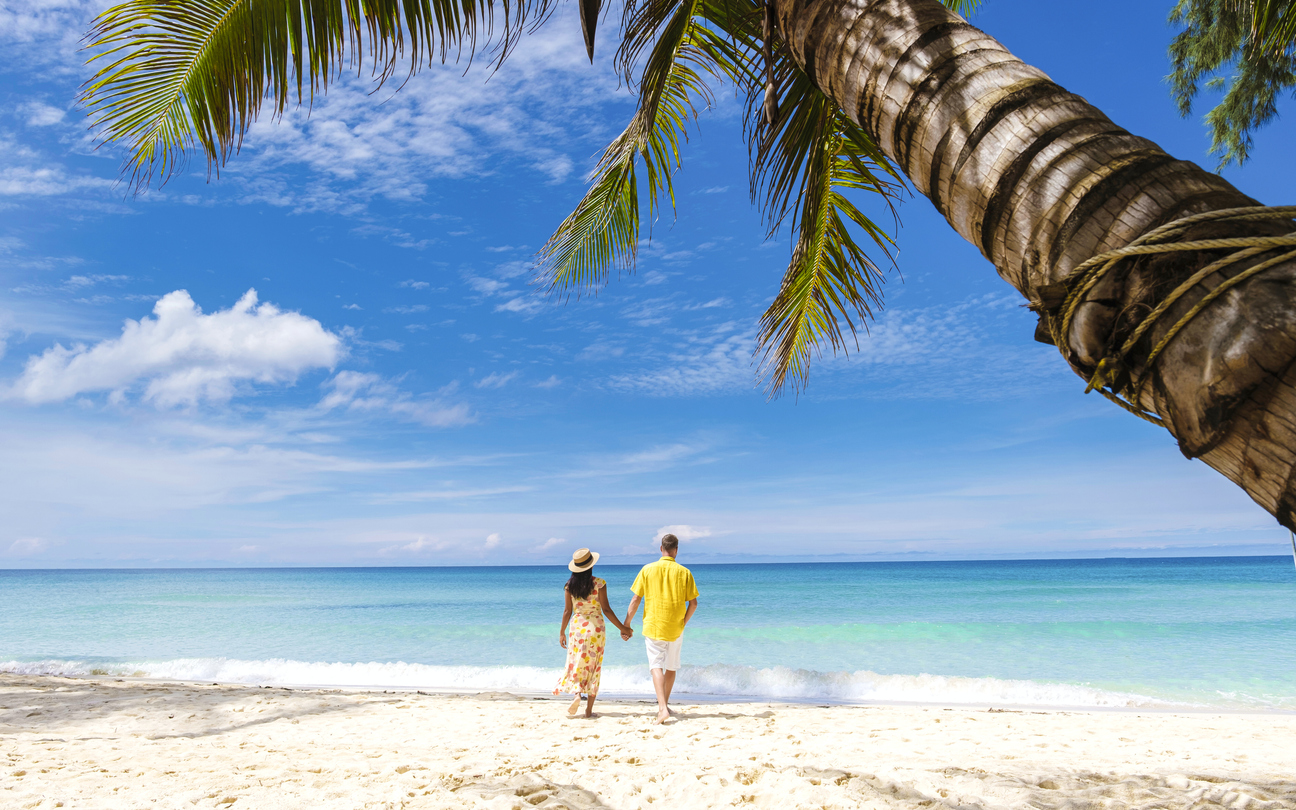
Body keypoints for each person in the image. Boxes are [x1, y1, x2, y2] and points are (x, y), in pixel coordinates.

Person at [624, 533, 698, 724]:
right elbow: (694, 604)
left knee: (656, 666)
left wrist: (626, 624)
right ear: (676, 550)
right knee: (671, 668)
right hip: (676, 627)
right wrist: (683, 622)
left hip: (654, 625)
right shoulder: (685, 572)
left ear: (661, 548)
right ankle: (664, 705)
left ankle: (662, 708)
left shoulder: (647, 569)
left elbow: (636, 599)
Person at [553, 547, 633, 718]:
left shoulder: (569, 586)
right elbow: (606, 609)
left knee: (576, 662)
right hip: (595, 629)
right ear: (591, 566)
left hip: (576, 629)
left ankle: (576, 695)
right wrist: (623, 628)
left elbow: (567, 611)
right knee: (593, 666)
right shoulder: (599, 583)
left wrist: (562, 632)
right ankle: (588, 710)